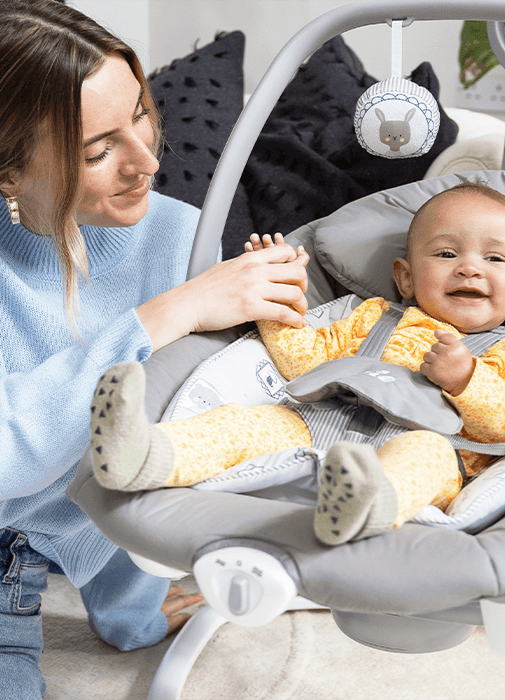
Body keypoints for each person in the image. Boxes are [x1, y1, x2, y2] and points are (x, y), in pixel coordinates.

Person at [0, 1, 308, 697]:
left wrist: (132, 607)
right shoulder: (180, 289)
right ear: (10, 175)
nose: (146, 161)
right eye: (97, 150)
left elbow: (140, 445)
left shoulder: (179, 235)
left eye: (140, 114)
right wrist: (169, 314)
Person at [90, 183, 505, 546]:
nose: (470, 268)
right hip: (317, 428)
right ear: (406, 278)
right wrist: (277, 299)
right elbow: (305, 361)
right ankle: (145, 454)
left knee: (424, 459)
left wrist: (467, 380)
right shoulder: (373, 317)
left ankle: (367, 506)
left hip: (429, 444)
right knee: (243, 424)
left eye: (494, 258)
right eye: (446, 254)